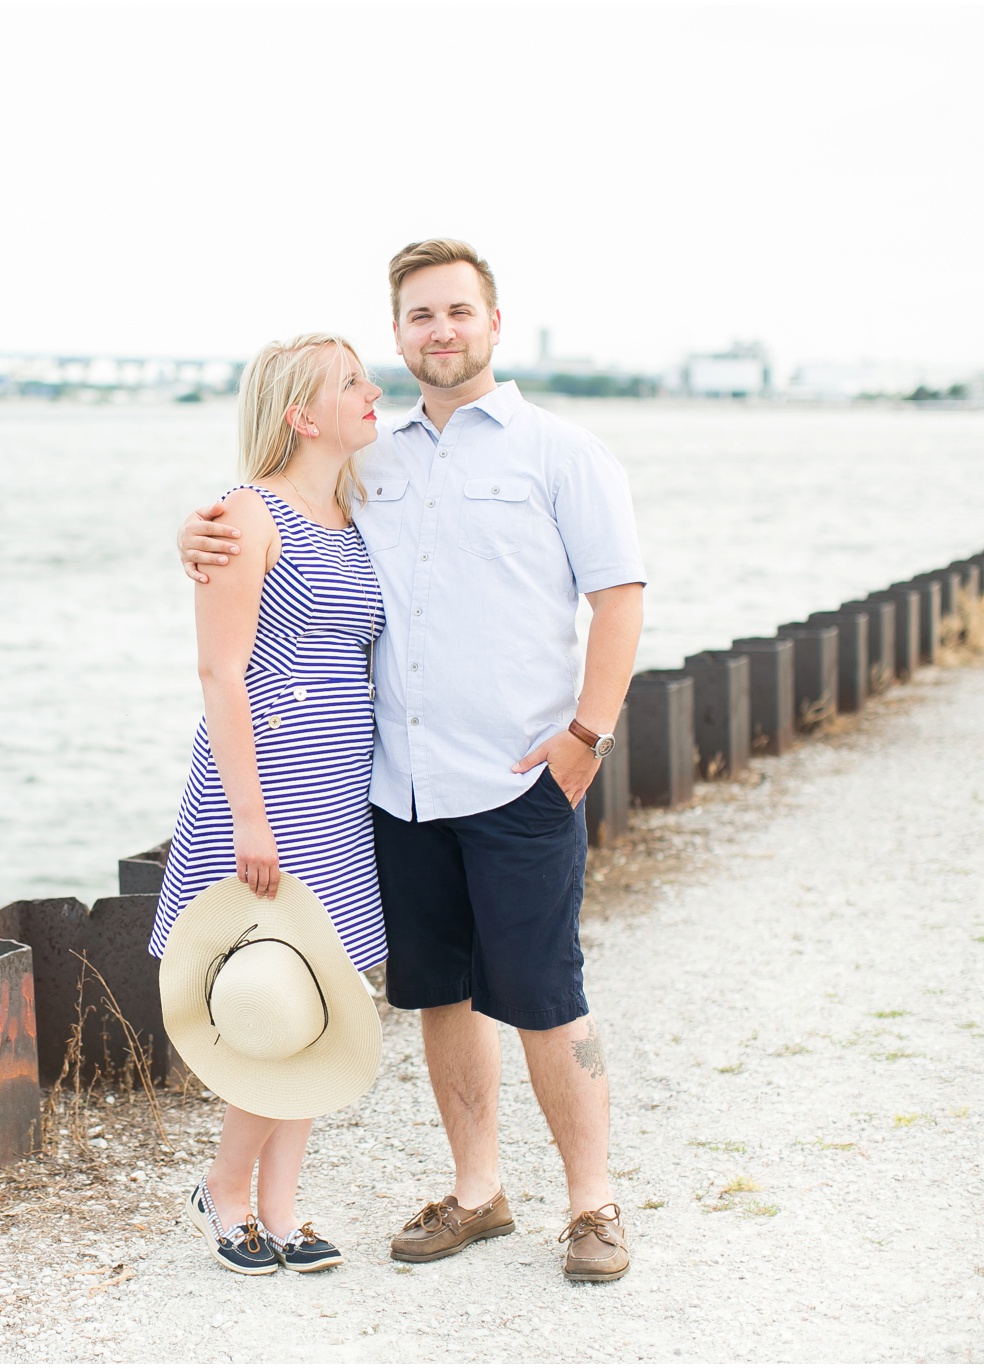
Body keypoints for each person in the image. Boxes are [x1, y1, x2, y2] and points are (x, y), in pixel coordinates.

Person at [177, 239, 646, 1283]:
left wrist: (585, 738)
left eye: (456, 312)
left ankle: (592, 1203)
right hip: (397, 788)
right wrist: (195, 531)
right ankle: (476, 1193)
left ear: (491, 323)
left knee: (545, 996)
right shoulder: (368, 459)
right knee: (438, 997)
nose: (438, 331)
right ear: (398, 335)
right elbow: (266, 512)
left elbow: (618, 597)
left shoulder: (559, 453)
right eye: (419, 316)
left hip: (522, 777)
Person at [148, 333, 388, 1275]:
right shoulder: (248, 515)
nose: (374, 392)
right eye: (352, 382)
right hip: (268, 791)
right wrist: (250, 818)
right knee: (267, 991)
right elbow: (220, 671)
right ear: (302, 413)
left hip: (337, 792)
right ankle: (226, 1189)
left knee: (315, 996)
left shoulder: (353, 504)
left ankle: (281, 1204)